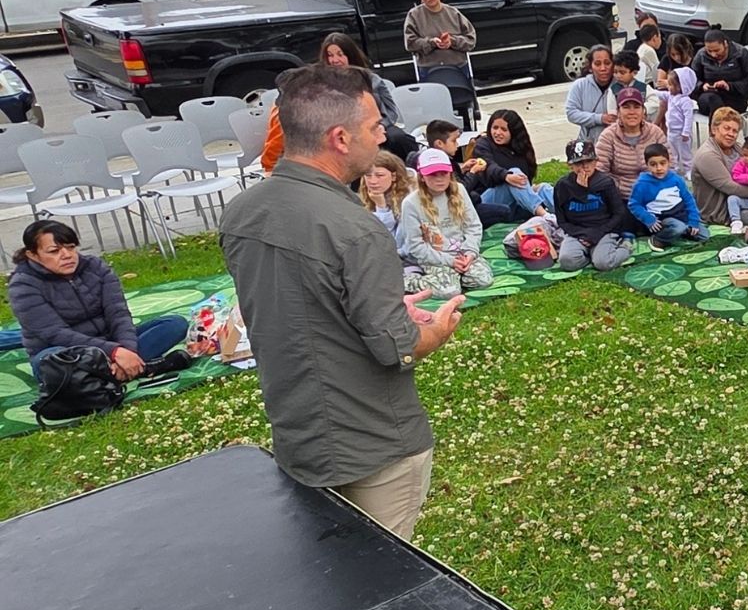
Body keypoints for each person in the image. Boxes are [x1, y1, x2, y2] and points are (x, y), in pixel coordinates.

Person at [220, 63, 465, 542]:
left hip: (297, 435)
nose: (381, 139)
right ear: (339, 138)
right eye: (374, 128)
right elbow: (396, 345)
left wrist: (380, 300)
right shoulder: (354, 231)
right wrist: (434, 329)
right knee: (379, 583)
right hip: (375, 446)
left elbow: (299, 302)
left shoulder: (241, 214)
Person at [10, 220, 193, 387]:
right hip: (67, 354)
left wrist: (125, 351)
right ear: (33, 255)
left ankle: (115, 373)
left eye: (71, 247)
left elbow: (118, 314)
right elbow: (56, 334)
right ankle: (144, 368)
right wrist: (114, 352)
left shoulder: (95, 267)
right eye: (54, 251)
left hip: (111, 342)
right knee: (52, 361)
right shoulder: (23, 285)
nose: (66, 255)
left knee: (175, 324)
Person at [399, 150, 493, 299]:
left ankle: (455, 276)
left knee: (483, 280)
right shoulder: (410, 203)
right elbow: (415, 245)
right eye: (432, 174)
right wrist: (449, 261)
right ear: (422, 177)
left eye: (443, 173)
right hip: (434, 257)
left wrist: (470, 253)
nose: (439, 179)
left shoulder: (460, 190)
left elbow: (473, 226)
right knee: (449, 291)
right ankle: (409, 281)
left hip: (462, 253)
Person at [317, 32, 415, 164]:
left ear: (350, 55)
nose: (335, 60)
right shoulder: (322, 85)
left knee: (400, 139)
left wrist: (379, 126)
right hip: (345, 131)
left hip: (378, 126)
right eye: (330, 55)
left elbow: (391, 111)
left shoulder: (372, 79)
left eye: (340, 54)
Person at [553, 139, 635, 272]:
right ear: (570, 165)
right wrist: (583, 234)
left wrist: (598, 233)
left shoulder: (605, 182)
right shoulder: (562, 186)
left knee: (603, 263)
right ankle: (588, 256)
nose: (585, 167)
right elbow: (562, 220)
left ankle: (625, 247)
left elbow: (618, 213)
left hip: (604, 230)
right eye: (579, 163)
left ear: (596, 161)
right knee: (566, 262)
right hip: (578, 232)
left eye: (589, 161)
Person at [460, 109, 550, 226]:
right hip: (485, 202)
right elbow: (489, 166)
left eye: (503, 129)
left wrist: (530, 188)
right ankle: (544, 216)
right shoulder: (483, 144)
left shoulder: (520, 148)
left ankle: (567, 214)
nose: (497, 133)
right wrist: (505, 176)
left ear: (514, 132)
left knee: (543, 188)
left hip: (515, 199)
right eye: (495, 128)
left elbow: (525, 178)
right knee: (514, 173)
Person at [403, 0, 476, 95]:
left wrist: (452, 41)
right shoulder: (414, 15)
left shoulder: (453, 13)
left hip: (457, 66)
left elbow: (470, 39)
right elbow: (410, 43)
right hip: (429, 69)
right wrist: (431, 42)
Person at [629, 142, 707, 249]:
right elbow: (634, 205)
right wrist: (648, 219)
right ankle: (657, 240)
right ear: (647, 165)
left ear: (669, 162)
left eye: (662, 163)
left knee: (704, 235)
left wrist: (693, 220)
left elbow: (689, 200)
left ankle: (680, 231)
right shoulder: (642, 184)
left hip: (681, 215)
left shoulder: (676, 179)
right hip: (661, 219)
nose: (659, 168)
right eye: (653, 164)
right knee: (678, 227)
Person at [595, 92, 666, 190]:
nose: (632, 112)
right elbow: (600, 170)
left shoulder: (655, 132)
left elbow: (669, 164)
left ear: (643, 111)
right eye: (626, 107)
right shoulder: (608, 136)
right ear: (618, 112)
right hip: (621, 196)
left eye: (637, 107)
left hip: (656, 191)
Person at [688, 108, 746, 226]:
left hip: (743, 201)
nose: (731, 134)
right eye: (727, 128)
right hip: (721, 213)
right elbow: (731, 188)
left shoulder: (738, 148)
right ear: (714, 129)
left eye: (735, 131)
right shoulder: (707, 155)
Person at [691, 29, 748, 121]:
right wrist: (702, 85)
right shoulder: (701, 55)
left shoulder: (740, 53)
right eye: (709, 51)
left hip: (734, 97)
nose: (713, 54)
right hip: (708, 96)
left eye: (717, 50)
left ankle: (717, 132)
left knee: (722, 109)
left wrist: (729, 86)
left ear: (725, 44)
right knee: (713, 100)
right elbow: (691, 78)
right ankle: (718, 133)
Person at [562, 43, 618, 147]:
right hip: (588, 145)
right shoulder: (580, 85)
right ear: (590, 67)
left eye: (607, 63)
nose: (603, 68)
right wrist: (599, 118)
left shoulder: (621, 85)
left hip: (616, 144)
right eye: (597, 64)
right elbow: (571, 113)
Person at [657, 58, 700, 175]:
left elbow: (688, 118)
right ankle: (674, 168)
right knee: (672, 151)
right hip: (672, 132)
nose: (669, 87)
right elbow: (661, 95)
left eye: (671, 85)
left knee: (685, 152)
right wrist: (650, 91)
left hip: (682, 134)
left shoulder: (685, 101)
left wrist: (686, 132)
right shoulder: (671, 96)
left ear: (681, 86)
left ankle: (688, 169)